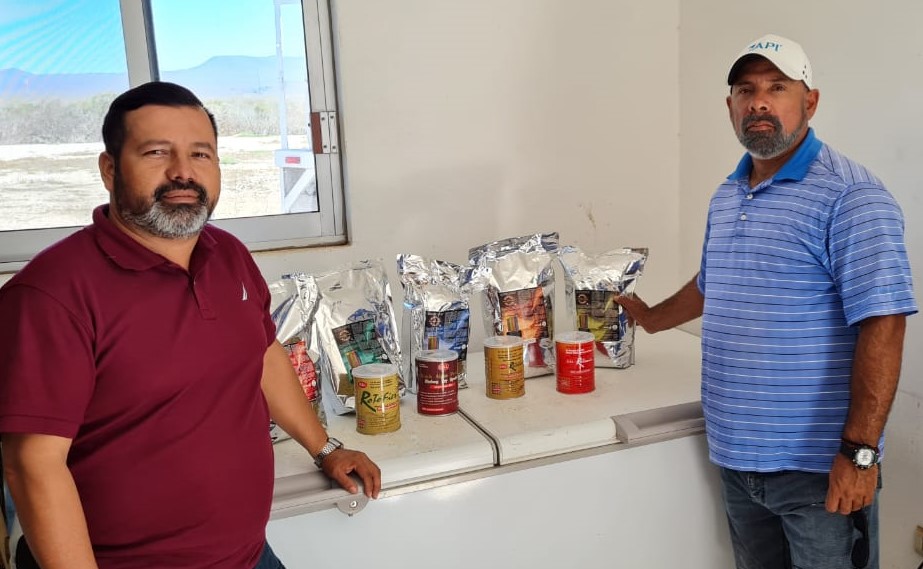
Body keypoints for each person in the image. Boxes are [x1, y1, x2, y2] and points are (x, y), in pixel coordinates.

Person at [0, 81, 381, 569]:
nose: (183, 171)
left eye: (200, 154)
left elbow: (261, 355)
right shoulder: (52, 294)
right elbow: (32, 465)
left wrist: (324, 448)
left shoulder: (229, 256)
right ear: (110, 169)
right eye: (157, 152)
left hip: (248, 555)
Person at [617, 34, 916, 569]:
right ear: (729, 106)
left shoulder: (851, 196)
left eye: (777, 87)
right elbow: (715, 281)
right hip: (736, 457)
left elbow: (885, 323)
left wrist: (859, 454)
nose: (758, 102)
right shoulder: (727, 194)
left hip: (818, 470)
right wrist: (653, 318)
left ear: (810, 101)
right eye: (745, 89)